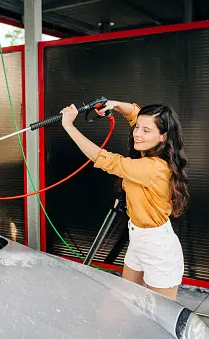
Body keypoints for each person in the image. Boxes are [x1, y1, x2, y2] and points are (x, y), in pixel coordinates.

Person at [60, 100, 189, 301]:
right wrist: (113, 104)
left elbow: (106, 160)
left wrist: (69, 126)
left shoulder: (154, 167)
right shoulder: (150, 148)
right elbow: (134, 112)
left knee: (161, 316)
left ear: (162, 136)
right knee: (126, 304)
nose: (137, 134)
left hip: (158, 247)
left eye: (146, 130)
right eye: (137, 127)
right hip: (138, 239)